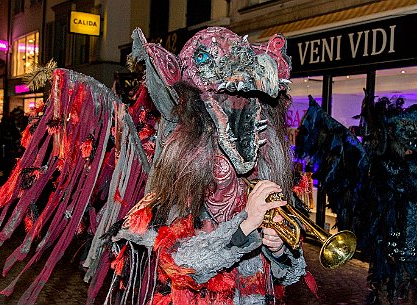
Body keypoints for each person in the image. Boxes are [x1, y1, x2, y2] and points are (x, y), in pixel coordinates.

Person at [102, 27, 308, 305]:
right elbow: (179, 261)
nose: (239, 107)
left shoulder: (263, 173)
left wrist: (279, 247)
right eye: (228, 100)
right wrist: (245, 226)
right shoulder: (180, 178)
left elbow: (289, 274)